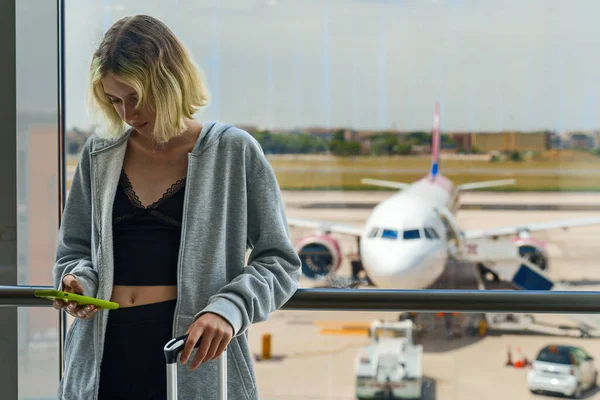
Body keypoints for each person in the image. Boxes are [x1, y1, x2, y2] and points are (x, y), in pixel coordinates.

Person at [52, 14, 301, 400]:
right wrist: (77, 282)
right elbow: (74, 251)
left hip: (191, 357)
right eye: (114, 100)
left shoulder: (233, 152)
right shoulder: (99, 155)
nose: (127, 115)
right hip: (101, 356)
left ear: (169, 82)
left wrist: (229, 310)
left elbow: (280, 261)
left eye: (135, 97)